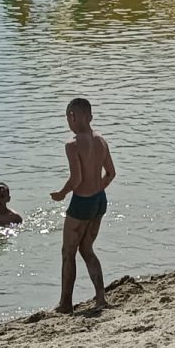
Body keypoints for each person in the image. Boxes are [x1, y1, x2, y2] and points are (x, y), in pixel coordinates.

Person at [51, 98, 116, 312]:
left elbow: (76, 179)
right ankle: (100, 298)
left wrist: (61, 194)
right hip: (99, 200)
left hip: (81, 203)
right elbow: (111, 173)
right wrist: (98, 189)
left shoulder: (73, 144)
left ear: (72, 116)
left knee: (68, 252)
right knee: (87, 249)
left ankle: (65, 303)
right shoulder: (101, 140)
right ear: (91, 116)